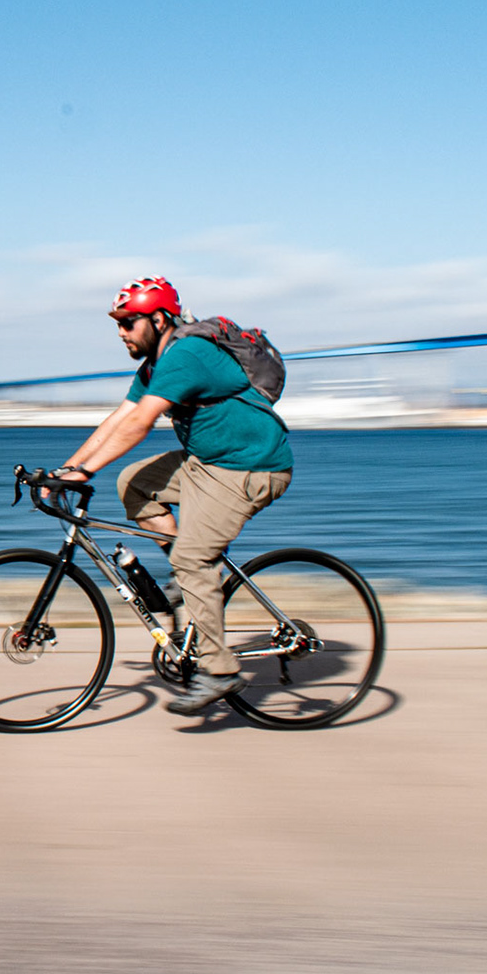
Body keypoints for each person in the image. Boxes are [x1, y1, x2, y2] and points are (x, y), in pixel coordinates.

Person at [52, 277, 293, 715]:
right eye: (117, 323)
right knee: (134, 484)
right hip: (208, 462)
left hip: (251, 466)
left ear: (158, 318)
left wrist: (85, 470)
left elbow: (141, 422)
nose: (121, 332)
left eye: (128, 322)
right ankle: (195, 579)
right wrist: (66, 469)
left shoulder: (186, 356)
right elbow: (119, 417)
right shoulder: (155, 365)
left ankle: (220, 670)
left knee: (191, 559)